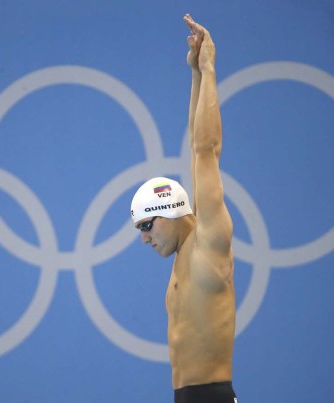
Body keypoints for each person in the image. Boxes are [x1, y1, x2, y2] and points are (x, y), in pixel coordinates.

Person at [130, 14, 237, 403]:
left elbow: (205, 149)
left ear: (171, 209)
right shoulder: (180, 258)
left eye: (146, 225)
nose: (143, 239)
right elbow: (195, 139)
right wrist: (193, 75)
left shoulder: (209, 242)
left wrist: (208, 68)